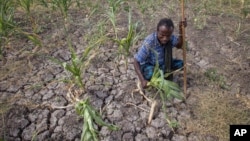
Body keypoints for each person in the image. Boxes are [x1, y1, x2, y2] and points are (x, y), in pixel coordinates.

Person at [133, 18, 187, 89]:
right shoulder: (149, 42)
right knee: (150, 73)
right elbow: (136, 61)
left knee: (182, 64)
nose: (165, 38)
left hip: (164, 63)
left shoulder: (170, 38)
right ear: (157, 31)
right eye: (162, 35)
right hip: (151, 65)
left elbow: (179, 45)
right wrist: (142, 80)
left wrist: (181, 30)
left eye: (168, 36)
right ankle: (160, 75)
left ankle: (164, 72)